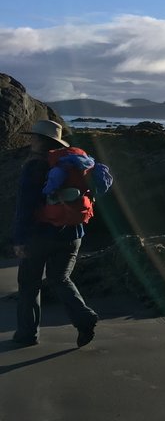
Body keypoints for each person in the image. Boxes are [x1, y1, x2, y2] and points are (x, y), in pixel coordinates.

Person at [12, 120, 100, 348]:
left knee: (29, 284)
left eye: (34, 137)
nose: (30, 140)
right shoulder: (74, 164)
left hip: (40, 236)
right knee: (60, 278)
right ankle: (83, 317)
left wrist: (20, 239)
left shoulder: (35, 166)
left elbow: (26, 206)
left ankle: (27, 334)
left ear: (42, 141)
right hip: (73, 234)